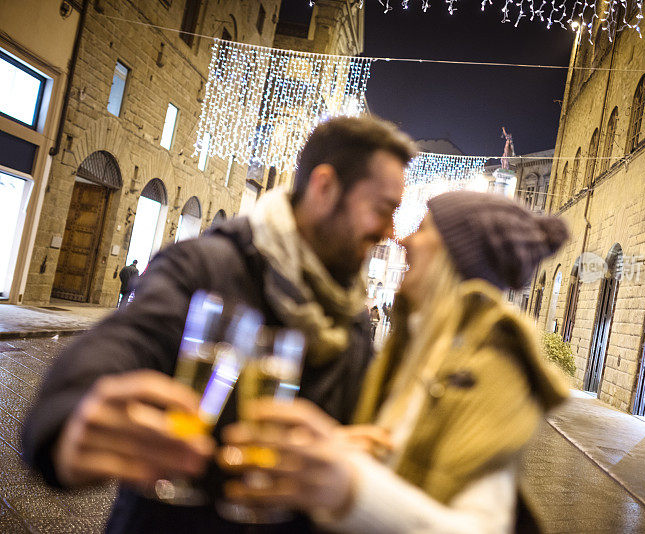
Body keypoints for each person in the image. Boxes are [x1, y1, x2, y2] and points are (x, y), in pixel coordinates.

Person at [21, 116, 416, 533]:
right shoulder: (208, 264)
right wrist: (71, 416)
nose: (390, 231)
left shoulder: (351, 309)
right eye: (382, 209)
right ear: (324, 188)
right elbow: (124, 341)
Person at [218, 191, 571, 532]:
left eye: (424, 229)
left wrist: (350, 487)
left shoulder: (490, 368)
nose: (404, 240)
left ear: (455, 256)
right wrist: (340, 450)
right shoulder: (413, 350)